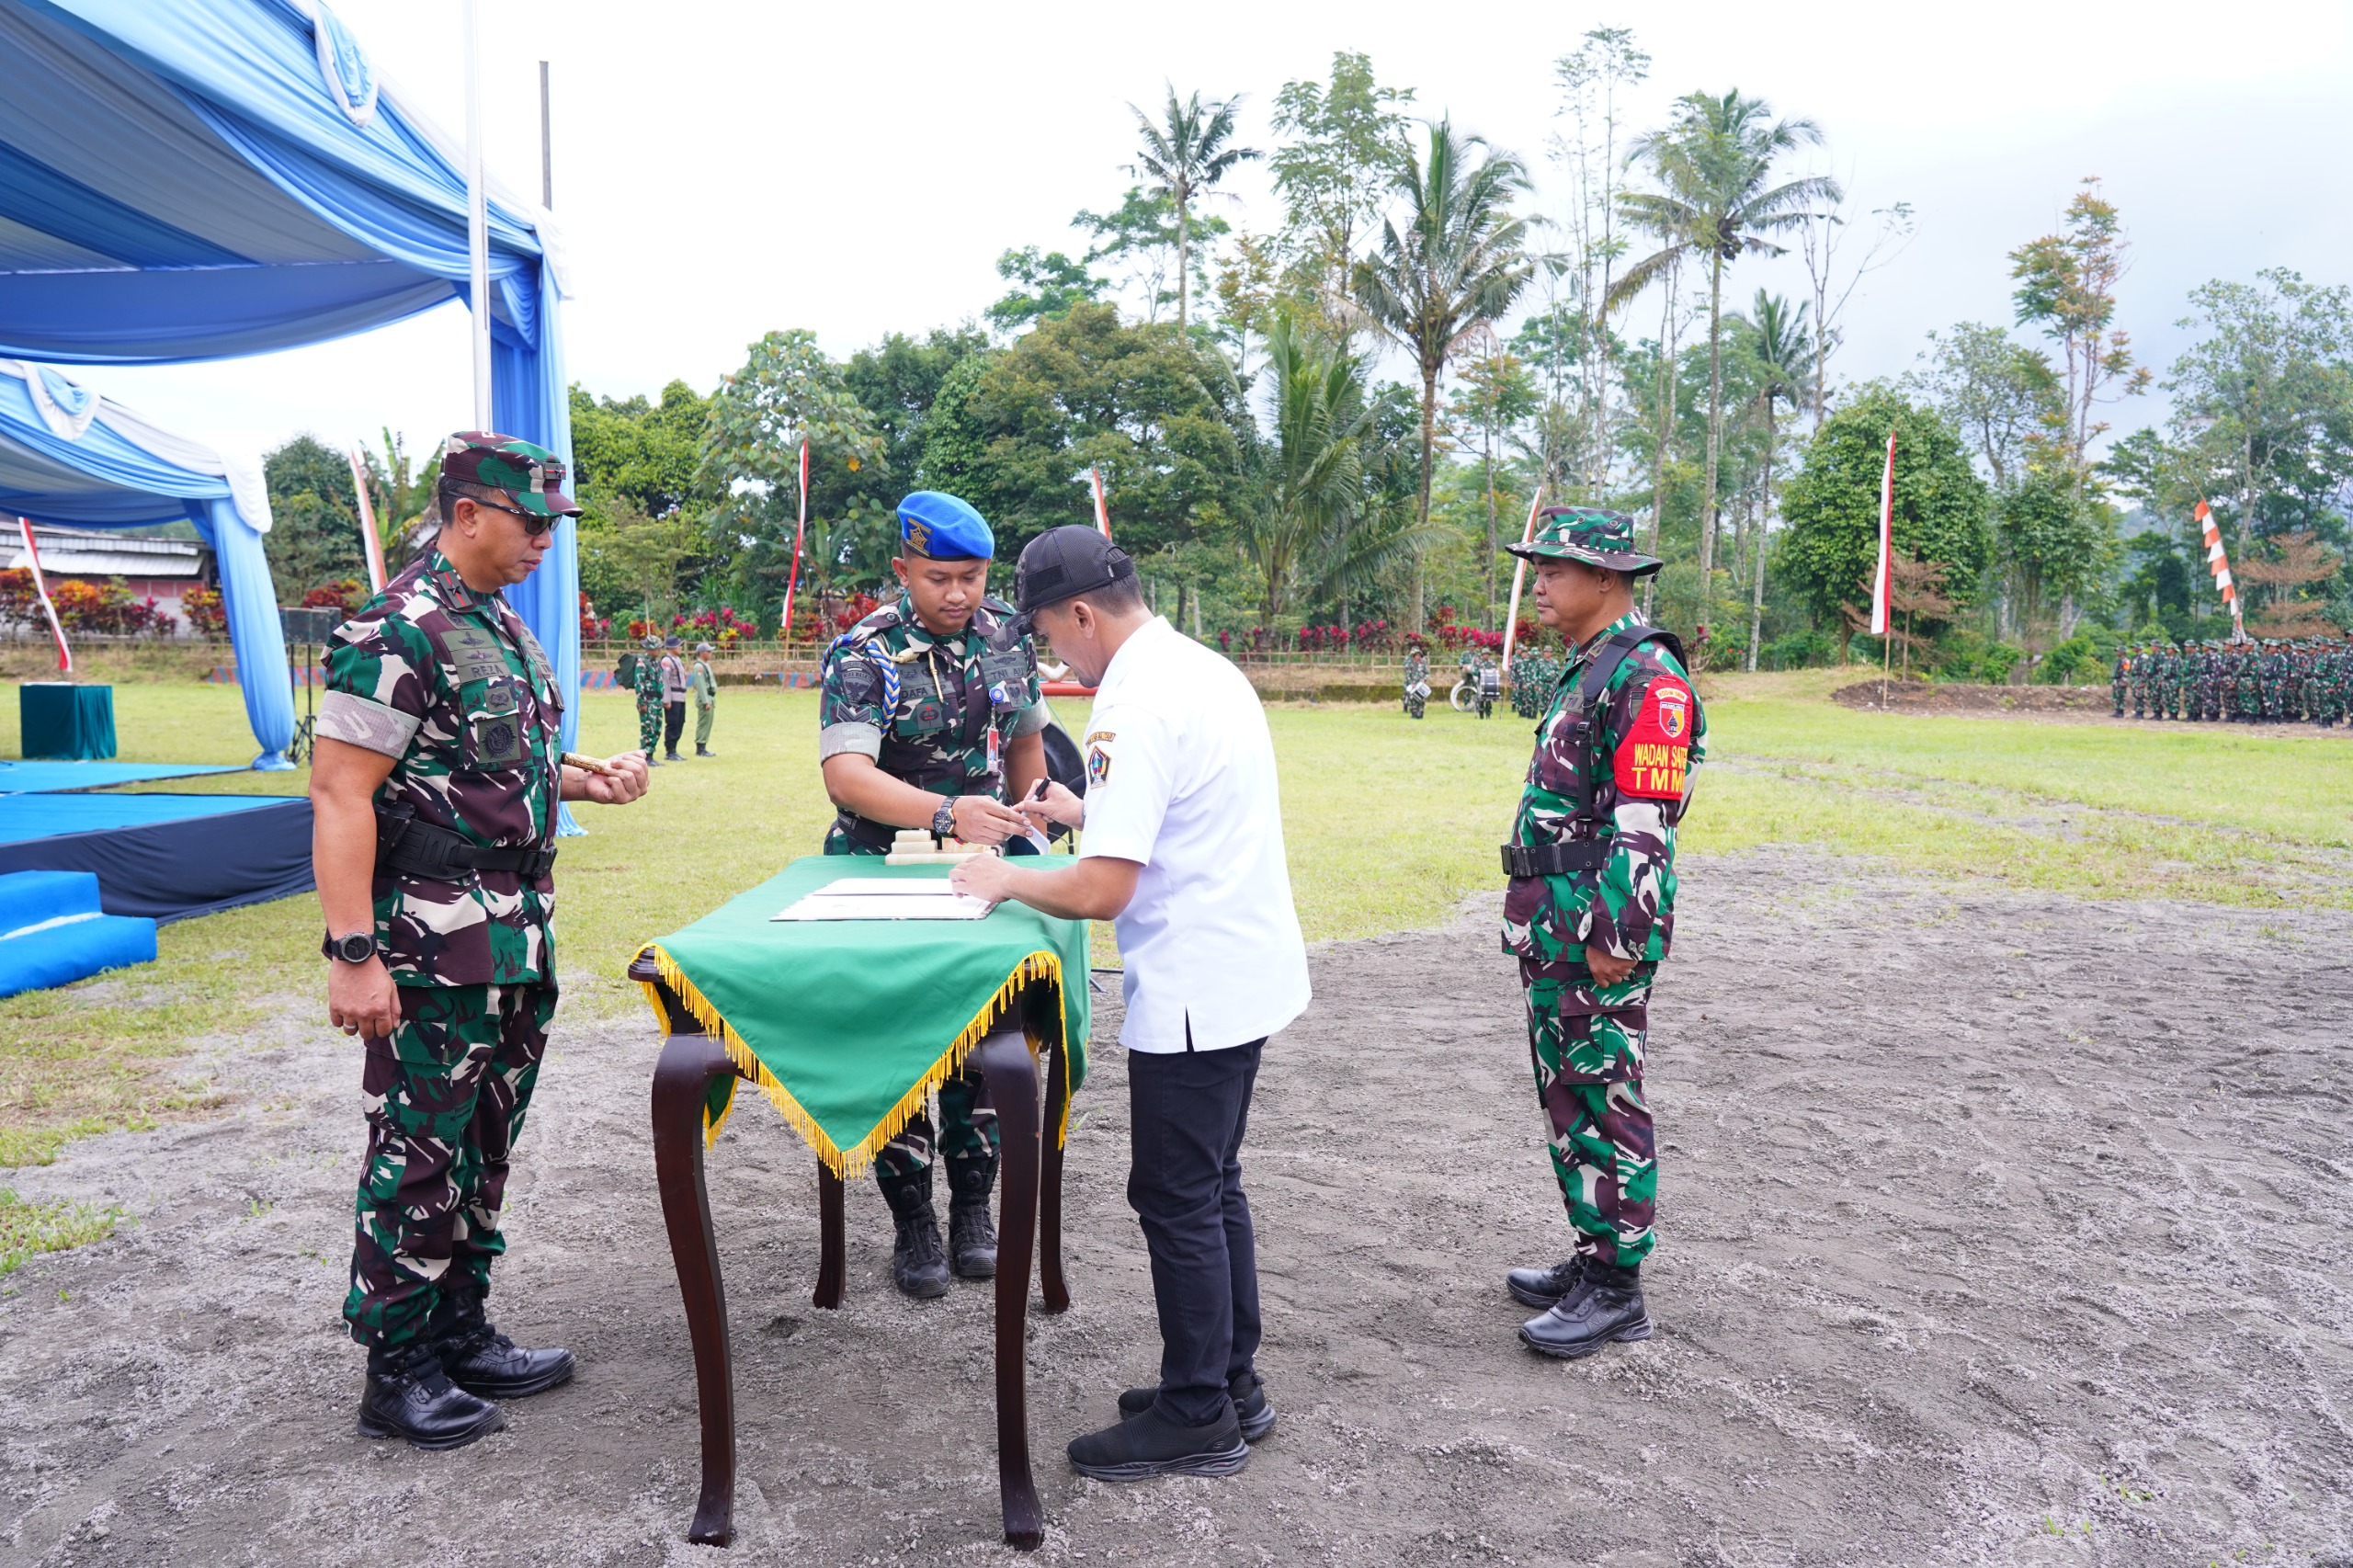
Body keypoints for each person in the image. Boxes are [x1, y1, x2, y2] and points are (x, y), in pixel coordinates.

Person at [310, 433, 651, 1451]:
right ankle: (397, 1366)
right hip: (429, 942)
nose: (545, 538)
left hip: (512, 937)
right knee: (418, 1151)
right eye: (531, 519)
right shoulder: (394, 629)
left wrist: (589, 780)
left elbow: (492, 765)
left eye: (552, 522)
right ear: (467, 514)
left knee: (482, 1145)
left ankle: (458, 1328)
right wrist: (354, 952)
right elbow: (341, 792)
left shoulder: (496, 624)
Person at [952, 524, 1312, 1483]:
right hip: (1242, 964)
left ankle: (1198, 1413)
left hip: (1197, 980)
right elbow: (1180, 809)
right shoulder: (1197, 666)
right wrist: (1087, 811)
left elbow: (1106, 889)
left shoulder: (1132, 699)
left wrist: (1003, 875)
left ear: (1080, 613)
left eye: (1046, 632)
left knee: (1176, 1193)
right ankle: (1229, 1381)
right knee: (1213, 1183)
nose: (1051, 656)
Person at [815, 491, 1050, 1297]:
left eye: (972, 577)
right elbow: (846, 776)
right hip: (881, 869)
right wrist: (947, 812)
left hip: (983, 871)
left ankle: (973, 1206)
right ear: (902, 571)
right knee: (896, 1039)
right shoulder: (864, 651)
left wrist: (1032, 823)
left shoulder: (1006, 634)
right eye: (938, 578)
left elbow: (1025, 739)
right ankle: (912, 1215)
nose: (958, 594)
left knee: (984, 1030)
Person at [1495, 507, 1703, 1361]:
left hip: (1597, 929)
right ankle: (1593, 1254)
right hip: (1556, 921)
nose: (1539, 584)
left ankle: (1618, 1290)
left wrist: (1617, 931)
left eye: (1556, 570)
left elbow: (1646, 822)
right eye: (1539, 569)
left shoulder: (1648, 677)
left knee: (1605, 1092)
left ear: (1608, 579)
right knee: (1568, 1093)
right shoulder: (1593, 664)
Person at [632, 632, 665, 762]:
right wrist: (642, 702)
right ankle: (645, 756)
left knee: (657, 728)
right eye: (657, 648)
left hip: (657, 701)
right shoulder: (642, 663)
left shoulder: (656, 663)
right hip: (648, 701)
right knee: (648, 729)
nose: (659, 650)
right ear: (649, 649)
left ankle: (651, 754)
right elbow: (639, 684)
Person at [659, 635, 689, 761]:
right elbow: (665, 682)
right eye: (678, 646)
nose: (680, 648)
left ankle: (674, 749)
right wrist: (666, 700)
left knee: (680, 722)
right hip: (673, 697)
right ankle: (670, 751)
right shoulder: (667, 661)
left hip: (680, 696)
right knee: (672, 723)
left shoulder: (677, 660)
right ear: (671, 647)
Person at [689, 641, 718, 756]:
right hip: (704, 699)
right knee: (703, 723)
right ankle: (700, 748)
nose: (711, 653)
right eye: (708, 651)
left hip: (709, 698)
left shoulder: (705, 665)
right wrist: (706, 701)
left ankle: (703, 746)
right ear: (702, 653)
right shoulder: (699, 667)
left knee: (708, 723)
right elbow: (700, 685)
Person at [1402, 637, 1430, 721]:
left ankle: (1420, 713)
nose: (1418, 657)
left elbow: (1427, 673)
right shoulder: (1409, 663)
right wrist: (1411, 683)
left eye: (1419, 655)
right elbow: (1408, 674)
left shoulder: (1423, 663)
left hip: (1421, 685)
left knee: (1421, 699)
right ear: (1413, 656)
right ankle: (1414, 713)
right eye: (1416, 655)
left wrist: (1424, 679)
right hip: (1412, 684)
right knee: (1412, 699)